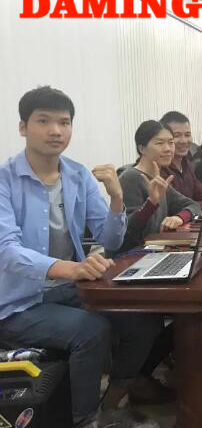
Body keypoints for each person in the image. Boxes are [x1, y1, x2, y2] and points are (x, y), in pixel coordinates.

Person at [0, 87, 161, 428]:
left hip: (68, 290)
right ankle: (84, 420)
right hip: (17, 303)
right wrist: (72, 268)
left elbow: (110, 239)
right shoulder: (4, 180)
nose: (56, 131)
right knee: (91, 330)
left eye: (64, 122)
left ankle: (113, 399)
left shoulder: (77, 175)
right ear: (23, 127)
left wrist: (116, 199)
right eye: (44, 121)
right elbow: (7, 250)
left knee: (143, 318)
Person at [118, 120, 202, 253]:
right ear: (142, 148)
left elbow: (194, 206)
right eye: (160, 143)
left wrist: (179, 218)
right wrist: (151, 203)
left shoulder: (158, 179)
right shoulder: (130, 178)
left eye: (171, 142)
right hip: (132, 256)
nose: (168, 149)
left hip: (156, 251)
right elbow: (126, 232)